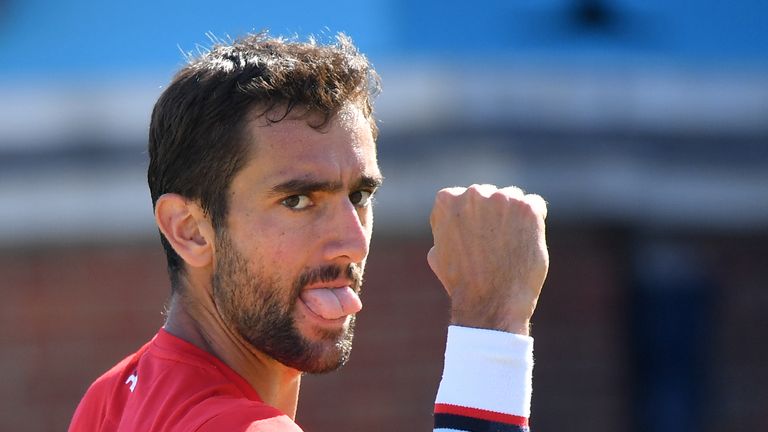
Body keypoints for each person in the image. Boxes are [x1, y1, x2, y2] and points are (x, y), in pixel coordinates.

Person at [69, 32, 549, 432]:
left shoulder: (109, 400)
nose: (353, 241)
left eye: (359, 197)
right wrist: (492, 323)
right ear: (190, 230)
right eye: (297, 201)